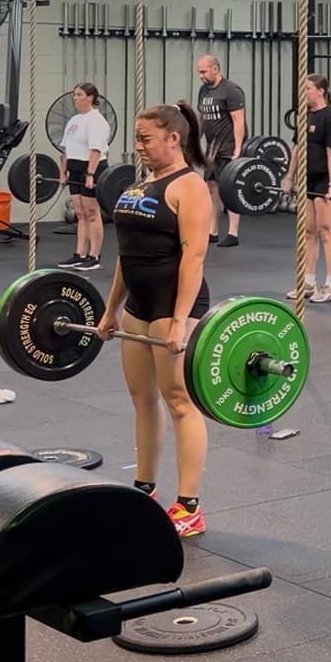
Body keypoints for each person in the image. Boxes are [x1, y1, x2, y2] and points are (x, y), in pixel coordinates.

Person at [100, 102, 214, 538]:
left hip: (173, 306)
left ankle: (189, 507)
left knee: (179, 401)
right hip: (138, 306)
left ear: (173, 138)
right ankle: (143, 490)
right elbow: (126, 255)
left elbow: (194, 257)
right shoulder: (141, 184)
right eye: (137, 138)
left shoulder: (190, 187)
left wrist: (180, 320)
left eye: (146, 138)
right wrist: (111, 309)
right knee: (142, 399)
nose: (139, 146)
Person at [292, 74, 331, 304]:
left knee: (326, 231)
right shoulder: (304, 116)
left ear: (321, 91)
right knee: (308, 232)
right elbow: (296, 148)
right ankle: (309, 282)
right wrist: (289, 177)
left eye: (308, 89)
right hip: (307, 180)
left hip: (324, 181)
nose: (304, 93)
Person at [58, 82, 112, 272]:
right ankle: (79, 254)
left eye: (79, 94)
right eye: (75, 94)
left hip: (92, 170)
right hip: (74, 171)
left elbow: (95, 150)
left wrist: (90, 174)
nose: (75, 98)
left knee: (91, 214)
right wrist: (62, 173)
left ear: (90, 97)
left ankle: (94, 256)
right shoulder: (74, 120)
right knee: (80, 214)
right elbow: (66, 149)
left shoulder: (97, 121)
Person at [194, 55, 246, 248]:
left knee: (230, 190)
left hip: (228, 148)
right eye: (199, 72)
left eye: (203, 72)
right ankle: (212, 231)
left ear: (215, 69)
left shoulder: (231, 91)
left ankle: (233, 233)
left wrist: (238, 149)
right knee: (211, 189)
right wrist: (194, 140)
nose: (201, 76)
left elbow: (238, 121)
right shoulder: (203, 91)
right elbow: (202, 117)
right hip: (212, 150)